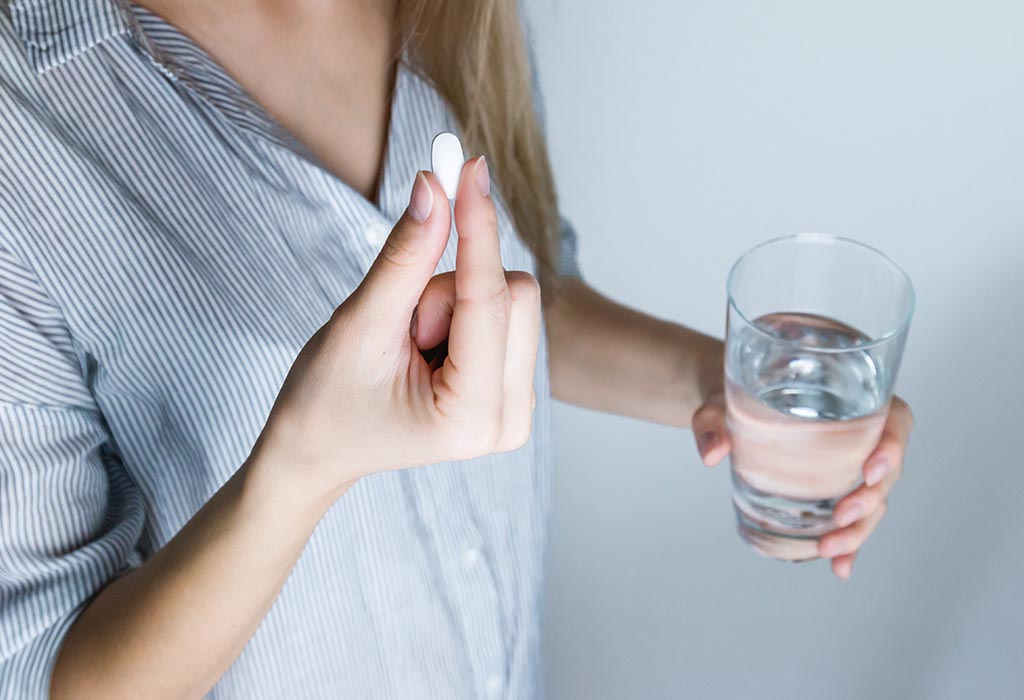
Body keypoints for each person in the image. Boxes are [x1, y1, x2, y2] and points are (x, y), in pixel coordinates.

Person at [0, 0, 914, 697]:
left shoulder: (458, 16)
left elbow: (520, 298)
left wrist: (720, 387)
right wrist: (301, 468)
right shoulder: (27, 117)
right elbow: (51, 672)